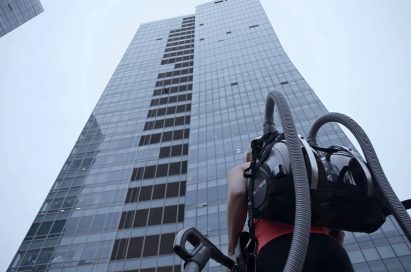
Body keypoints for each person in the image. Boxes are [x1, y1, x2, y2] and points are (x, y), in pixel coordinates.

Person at [226, 149, 354, 272]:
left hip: (280, 251)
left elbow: (238, 193)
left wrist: (232, 251)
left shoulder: (248, 168)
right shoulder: (311, 166)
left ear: (249, 156)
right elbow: (339, 232)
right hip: (331, 250)